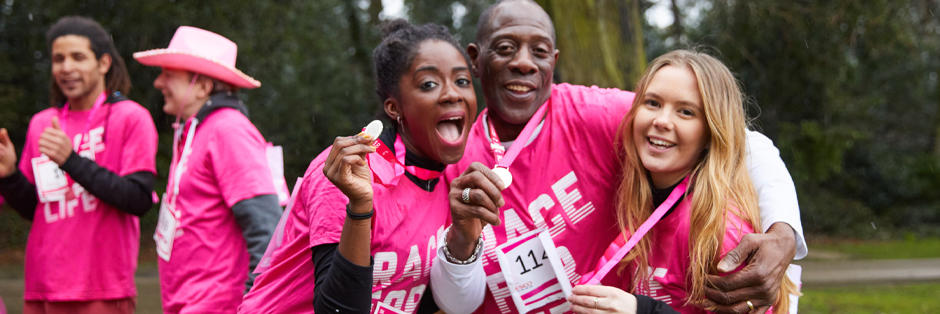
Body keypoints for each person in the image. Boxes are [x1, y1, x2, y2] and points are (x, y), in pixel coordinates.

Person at [431, 1, 807, 313]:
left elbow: (741, 140)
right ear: (476, 60)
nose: (524, 63)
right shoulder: (454, 157)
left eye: (540, 51)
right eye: (506, 47)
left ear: (554, 60)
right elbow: (456, 303)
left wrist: (784, 234)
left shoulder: (592, 112)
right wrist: (462, 237)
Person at [238, 19, 477, 314]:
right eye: (429, 84)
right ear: (394, 107)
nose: (453, 93)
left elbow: (416, 293)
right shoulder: (348, 173)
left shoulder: (455, 180)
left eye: (462, 81)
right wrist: (360, 208)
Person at [568, 50, 800, 313]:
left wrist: (642, 310)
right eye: (652, 103)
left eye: (686, 112)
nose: (661, 121)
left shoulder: (719, 229)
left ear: (712, 131)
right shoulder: (646, 199)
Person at [0, 16, 157, 314]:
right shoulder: (42, 123)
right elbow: (36, 206)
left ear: (103, 63)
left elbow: (137, 199)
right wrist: (8, 176)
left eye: (78, 57)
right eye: (58, 59)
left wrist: (71, 160)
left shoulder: (130, 117)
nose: (66, 67)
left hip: (102, 288)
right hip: (43, 285)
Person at [133, 26, 281, 313]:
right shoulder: (195, 131)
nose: (158, 82)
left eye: (169, 74)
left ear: (203, 86)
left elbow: (267, 229)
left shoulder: (228, 130)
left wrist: (252, 306)